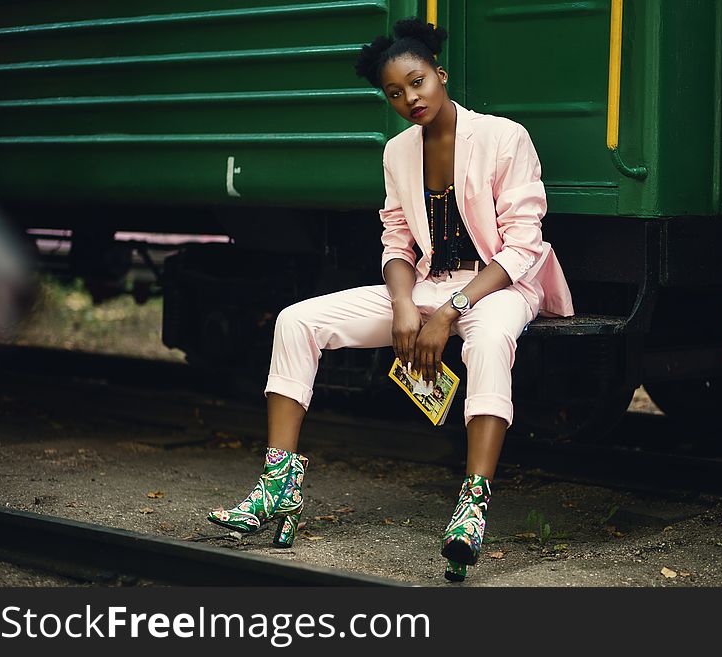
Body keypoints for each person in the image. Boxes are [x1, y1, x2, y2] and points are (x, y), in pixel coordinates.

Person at [207, 17, 574, 582]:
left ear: (440, 75)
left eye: (418, 82)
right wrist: (406, 306)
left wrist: (452, 311)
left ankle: (471, 509)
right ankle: (277, 488)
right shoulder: (398, 152)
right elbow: (397, 239)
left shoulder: (504, 137)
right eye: (395, 93)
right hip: (427, 284)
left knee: (492, 338)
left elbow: (525, 244)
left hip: (498, 286)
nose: (410, 99)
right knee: (296, 321)